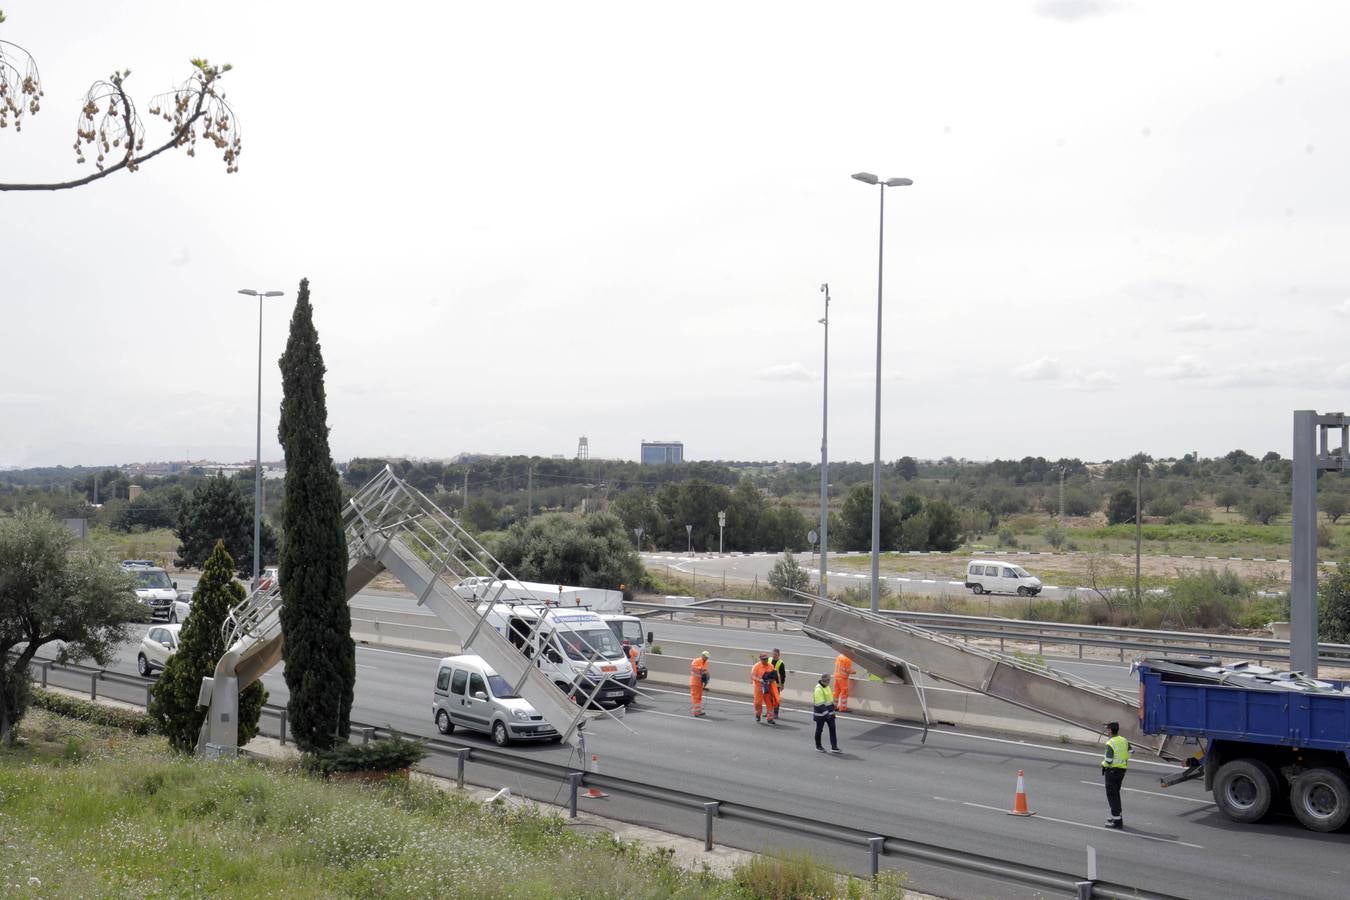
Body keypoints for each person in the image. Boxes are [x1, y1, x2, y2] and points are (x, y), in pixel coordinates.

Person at [1101, 721, 1131, 829]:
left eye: (1107, 729)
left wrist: (1102, 764)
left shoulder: (1110, 743)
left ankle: (1117, 822)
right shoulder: (1124, 740)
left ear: (1110, 730)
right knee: (1116, 794)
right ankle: (1116, 816)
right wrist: (1124, 760)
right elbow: (1131, 751)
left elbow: (1108, 760)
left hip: (1111, 772)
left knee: (1112, 796)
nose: (1106, 732)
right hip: (1121, 771)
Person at [813, 673, 841, 753]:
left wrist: (833, 709)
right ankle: (818, 746)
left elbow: (829, 700)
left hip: (829, 713)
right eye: (828, 680)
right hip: (821, 714)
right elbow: (820, 703)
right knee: (819, 730)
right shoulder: (818, 689)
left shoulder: (827, 686)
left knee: (833, 729)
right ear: (824, 680)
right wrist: (827, 714)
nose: (829, 681)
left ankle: (834, 747)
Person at [751, 653, 779, 724]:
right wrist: (760, 680)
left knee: (770, 703)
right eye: (764, 659)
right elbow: (753, 676)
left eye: (767, 659)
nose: (766, 660)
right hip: (759, 688)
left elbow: (774, 676)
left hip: (768, 687)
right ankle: (758, 715)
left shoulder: (771, 666)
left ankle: (770, 718)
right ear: (761, 659)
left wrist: (770, 680)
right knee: (757, 703)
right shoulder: (756, 666)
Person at [690, 650, 710, 717]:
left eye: (707, 657)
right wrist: (701, 669)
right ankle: (696, 712)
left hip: (700, 683)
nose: (707, 658)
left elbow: (706, 672)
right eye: (706, 657)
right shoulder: (697, 661)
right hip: (695, 682)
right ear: (702, 656)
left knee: (699, 697)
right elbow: (694, 668)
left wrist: (706, 679)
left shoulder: (705, 663)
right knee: (696, 697)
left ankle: (698, 711)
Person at [769, 648, 787, 719]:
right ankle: (769, 712)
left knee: (776, 699)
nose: (774, 655)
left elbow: (783, 675)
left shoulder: (781, 663)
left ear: (779, 655)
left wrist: (782, 684)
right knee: (769, 699)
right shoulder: (769, 660)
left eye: (776, 654)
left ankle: (775, 713)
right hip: (769, 683)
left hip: (777, 684)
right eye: (773, 654)